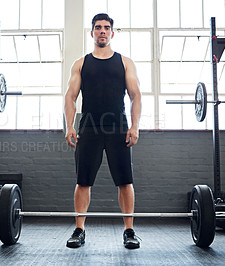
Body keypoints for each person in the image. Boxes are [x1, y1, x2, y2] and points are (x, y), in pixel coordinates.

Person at [64, 13, 142, 249]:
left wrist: (135, 125)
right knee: (83, 181)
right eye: (98, 27)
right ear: (92, 33)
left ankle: (129, 231)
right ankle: (79, 229)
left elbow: (136, 95)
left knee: (125, 181)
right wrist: (69, 125)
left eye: (106, 28)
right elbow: (70, 96)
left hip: (118, 127)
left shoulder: (125, 62)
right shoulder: (81, 64)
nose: (102, 31)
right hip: (89, 127)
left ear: (112, 33)